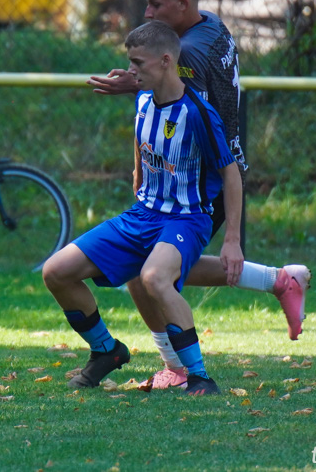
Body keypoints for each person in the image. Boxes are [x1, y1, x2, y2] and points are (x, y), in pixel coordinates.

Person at [88, 0, 311, 390]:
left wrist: (129, 84)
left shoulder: (185, 53)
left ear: (182, 2)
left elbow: (175, 96)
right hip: (190, 171)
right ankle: (280, 281)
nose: (148, 13)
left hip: (200, 180)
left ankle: (179, 368)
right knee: (151, 270)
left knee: (148, 273)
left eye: (154, 5)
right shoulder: (212, 25)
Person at [43, 20, 241, 396]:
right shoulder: (143, 98)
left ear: (166, 61)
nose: (131, 71)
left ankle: (198, 377)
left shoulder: (198, 113)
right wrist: (137, 171)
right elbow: (140, 139)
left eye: (138, 63)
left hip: (186, 217)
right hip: (142, 215)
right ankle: (106, 351)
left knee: (153, 278)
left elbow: (231, 175)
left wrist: (231, 237)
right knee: (56, 271)